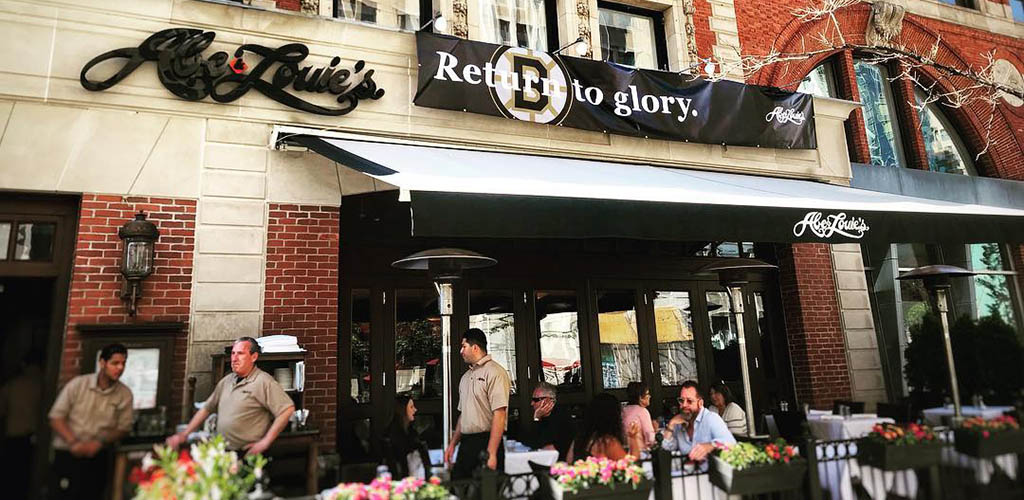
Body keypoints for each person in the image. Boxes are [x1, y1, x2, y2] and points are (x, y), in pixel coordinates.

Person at [166, 337, 295, 454]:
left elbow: (286, 409)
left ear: (254, 357)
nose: (234, 358)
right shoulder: (227, 380)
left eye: (240, 353)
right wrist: (185, 434)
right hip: (223, 452)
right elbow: (207, 408)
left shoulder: (264, 381)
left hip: (246, 453)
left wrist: (265, 442)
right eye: (233, 353)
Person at [48, 343, 134, 500]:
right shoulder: (78, 384)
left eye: (123, 363)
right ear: (102, 363)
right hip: (67, 452)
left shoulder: (125, 394)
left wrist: (98, 442)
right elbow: (56, 417)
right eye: (115, 363)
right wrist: (73, 442)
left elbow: (124, 428)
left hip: (98, 454)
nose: (120, 368)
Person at [444, 328, 511, 479]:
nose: (461, 351)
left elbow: (500, 414)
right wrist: (453, 444)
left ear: (475, 347)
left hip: (487, 441)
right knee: (460, 489)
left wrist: (491, 453)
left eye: (464, 346)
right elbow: (464, 415)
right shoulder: (465, 378)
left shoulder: (495, 372)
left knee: (488, 493)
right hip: (466, 444)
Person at [661, 381, 736, 462]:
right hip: (688, 472)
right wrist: (671, 425)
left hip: (711, 472)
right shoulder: (678, 423)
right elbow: (666, 448)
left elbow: (731, 444)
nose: (684, 405)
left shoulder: (711, 418)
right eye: (681, 400)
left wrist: (710, 446)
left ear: (700, 403)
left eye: (689, 401)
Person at [571, 392, 642, 461]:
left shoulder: (580, 439)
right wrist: (633, 438)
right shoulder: (607, 442)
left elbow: (569, 460)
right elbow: (629, 464)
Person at [521, 381, 574, 460]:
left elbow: (537, 444)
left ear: (547, 401)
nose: (532, 403)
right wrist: (537, 419)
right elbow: (528, 442)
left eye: (535, 400)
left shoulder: (561, 417)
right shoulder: (543, 417)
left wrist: (537, 418)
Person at [385, 394, 429, 478]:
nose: (415, 410)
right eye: (411, 407)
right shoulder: (394, 434)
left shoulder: (411, 432)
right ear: (402, 410)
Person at [621, 381, 657, 449]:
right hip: (641, 453)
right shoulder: (642, 411)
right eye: (647, 394)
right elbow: (650, 438)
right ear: (640, 397)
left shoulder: (623, 410)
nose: (649, 396)